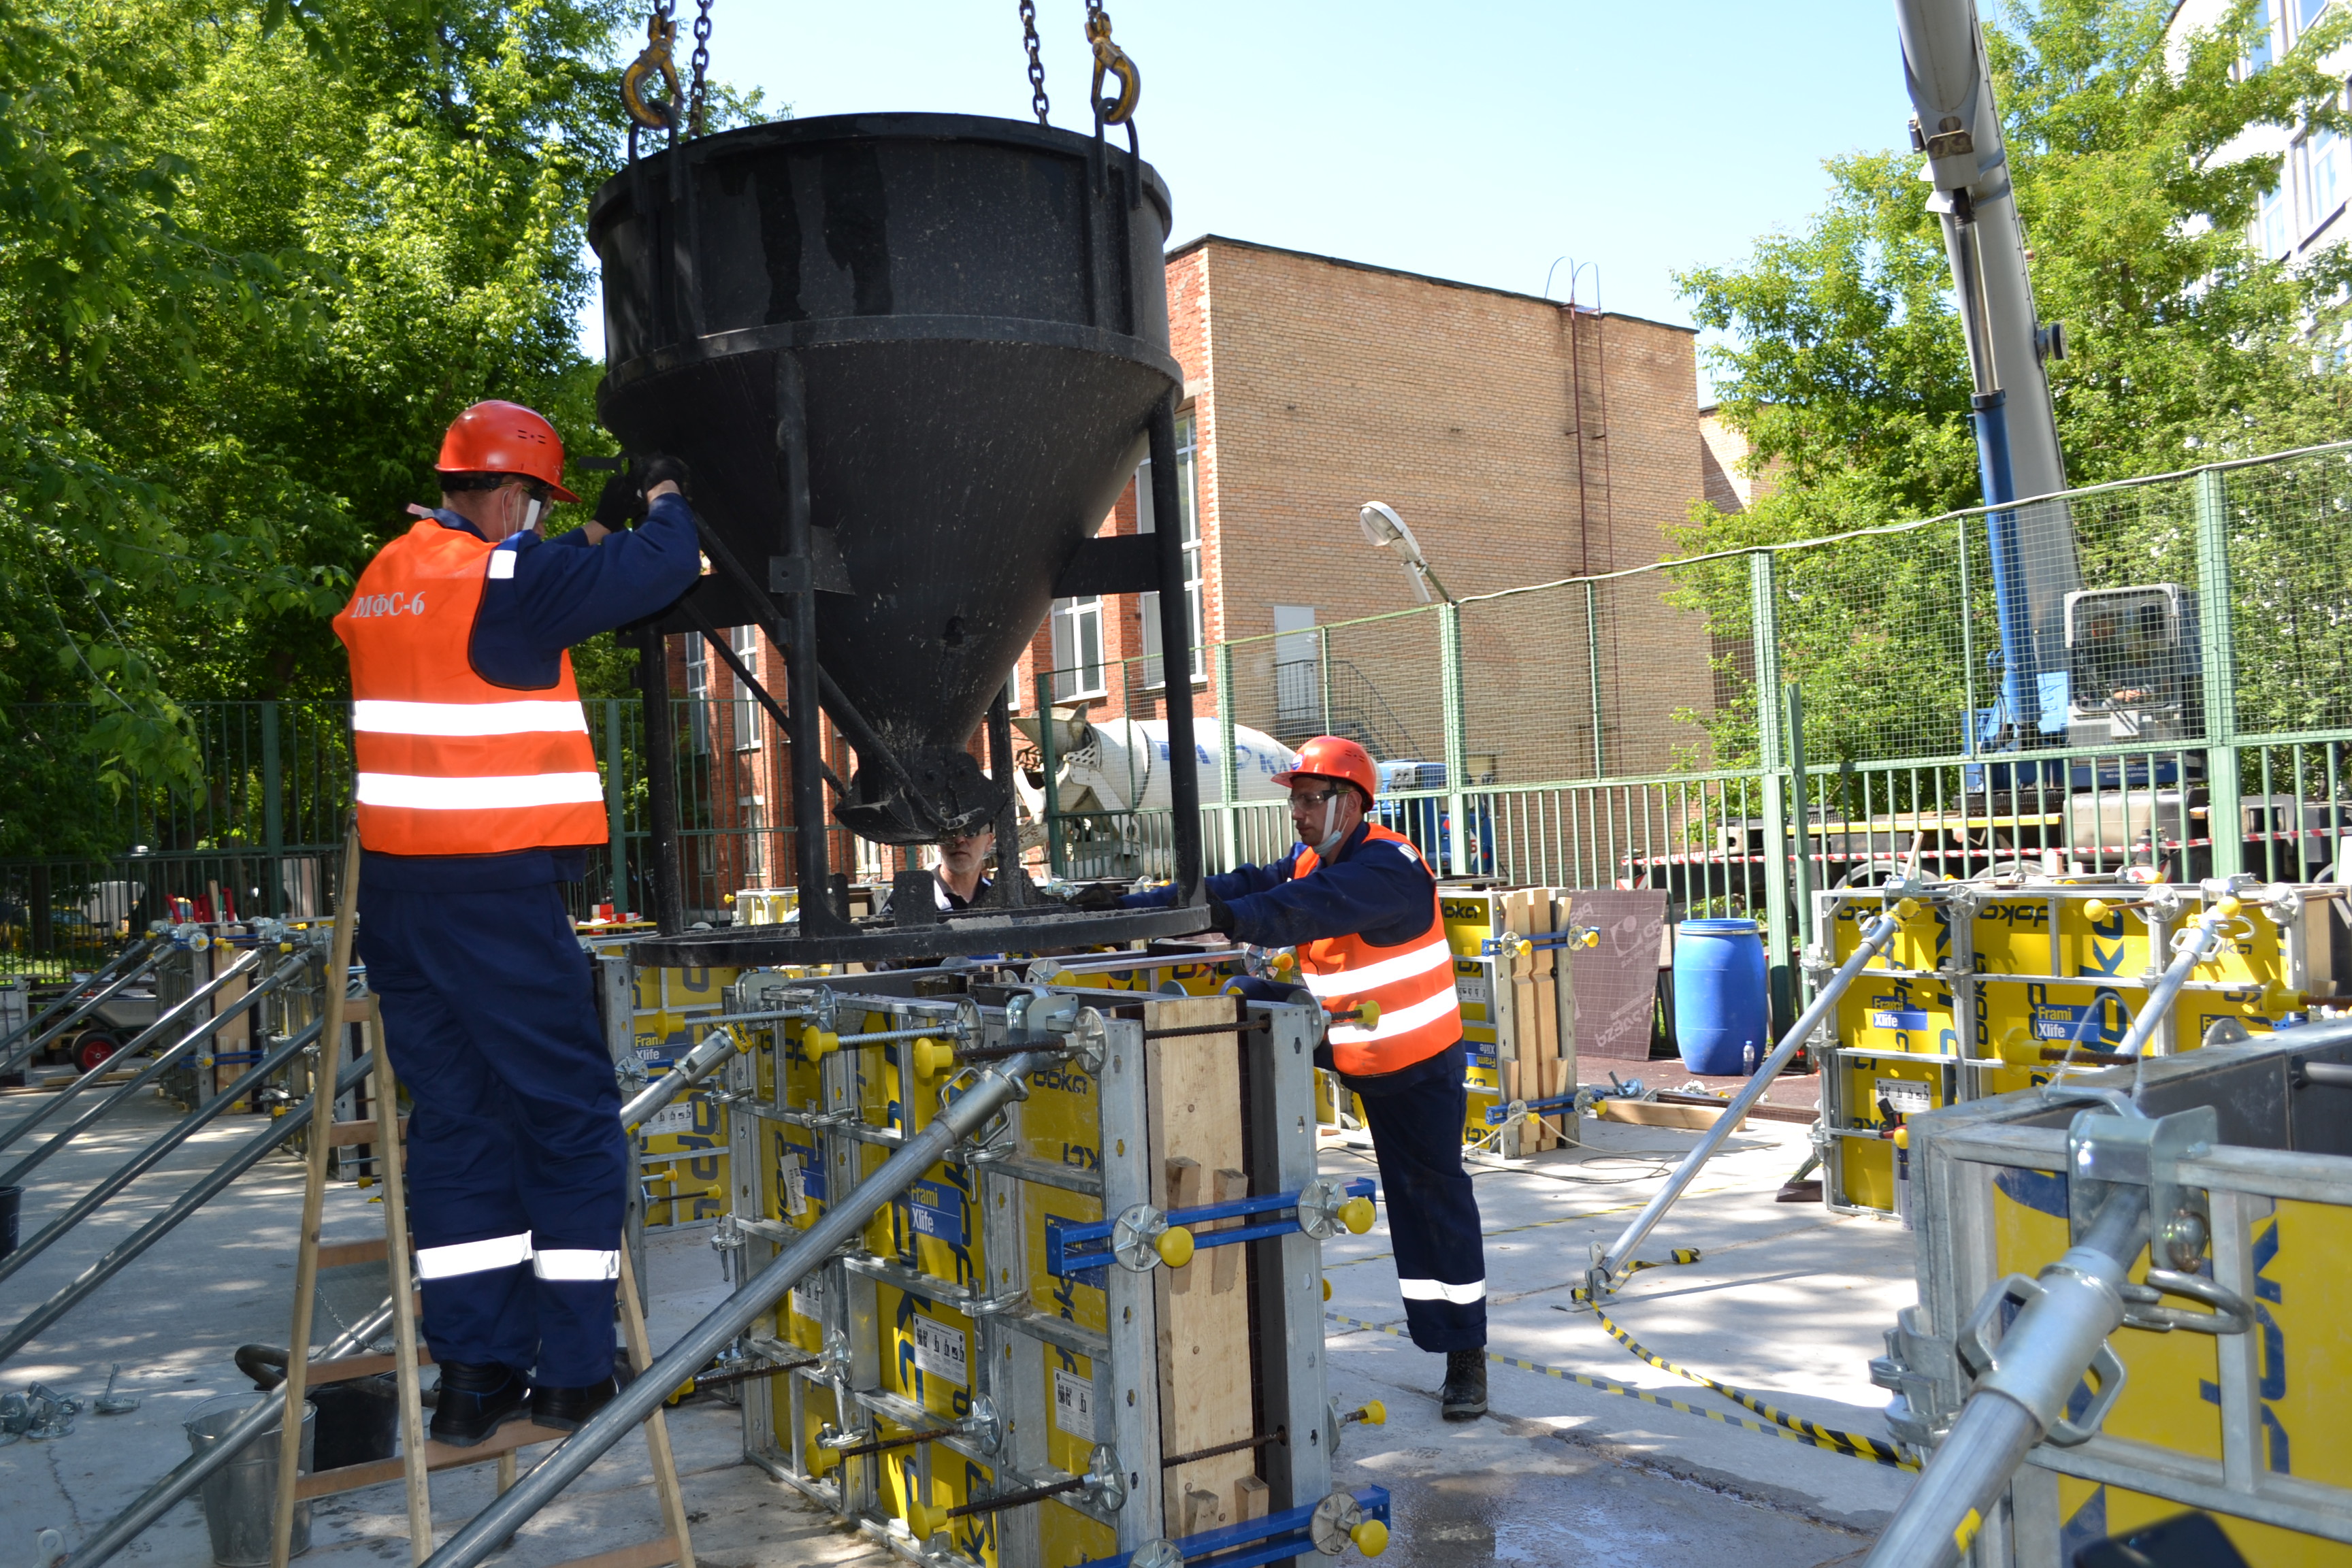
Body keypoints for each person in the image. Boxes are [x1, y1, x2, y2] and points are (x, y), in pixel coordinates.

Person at [336, 402, 700, 1446]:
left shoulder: (391, 574)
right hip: (492, 894)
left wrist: (585, 532)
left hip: (399, 900)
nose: (537, 525)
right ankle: (575, 1373)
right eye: (536, 506)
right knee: (569, 1119)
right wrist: (664, 493)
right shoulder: (504, 580)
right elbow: (659, 567)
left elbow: (527, 581)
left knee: (457, 1126)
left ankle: (473, 1378)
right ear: (508, 495)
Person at [1120, 735, 1489, 1419]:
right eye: (1294, 801)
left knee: (1430, 1202)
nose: (1298, 813)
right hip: (1346, 1041)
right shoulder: (1312, 858)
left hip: (1414, 1067)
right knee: (1244, 1000)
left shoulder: (1390, 867)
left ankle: (1464, 1354)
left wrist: (1230, 918)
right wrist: (1159, 903)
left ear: (1352, 803)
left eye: (1311, 800)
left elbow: (1304, 906)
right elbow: (1253, 885)